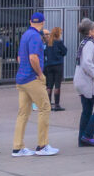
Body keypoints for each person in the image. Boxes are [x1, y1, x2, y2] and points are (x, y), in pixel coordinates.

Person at [11, 13, 58, 157]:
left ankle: (18, 147)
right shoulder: (36, 37)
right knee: (45, 108)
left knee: (23, 113)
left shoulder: (25, 35)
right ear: (43, 22)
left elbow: (20, 57)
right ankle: (42, 145)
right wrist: (39, 74)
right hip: (32, 78)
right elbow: (33, 57)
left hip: (22, 78)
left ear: (30, 21)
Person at [73, 18, 94, 147]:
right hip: (87, 82)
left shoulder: (84, 42)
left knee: (87, 110)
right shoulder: (90, 44)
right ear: (90, 31)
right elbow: (87, 63)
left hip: (80, 80)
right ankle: (88, 135)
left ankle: (82, 138)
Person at [43, 26, 67, 111]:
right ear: (58, 34)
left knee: (49, 85)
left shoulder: (47, 43)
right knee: (57, 85)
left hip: (49, 66)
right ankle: (57, 105)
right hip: (58, 65)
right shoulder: (59, 42)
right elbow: (64, 51)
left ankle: (48, 104)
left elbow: (44, 53)